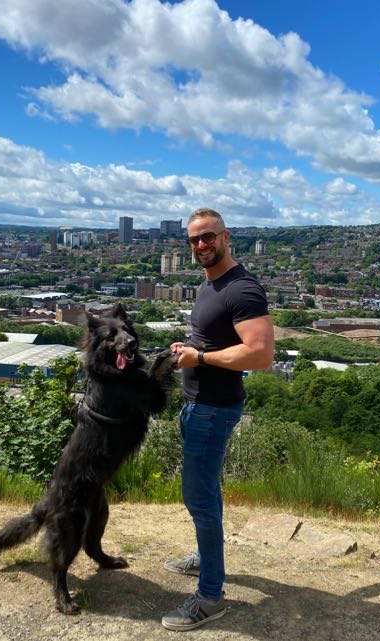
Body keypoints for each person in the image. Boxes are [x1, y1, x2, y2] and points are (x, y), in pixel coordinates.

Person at [161, 208, 274, 632]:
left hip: (213, 409)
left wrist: (202, 357)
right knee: (206, 494)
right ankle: (206, 558)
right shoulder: (211, 284)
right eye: (194, 239)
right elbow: (212, 339)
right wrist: (190, 348)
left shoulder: (242, 288)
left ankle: (210, 597)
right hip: (199, 405)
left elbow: (260, 354)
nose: (201, 245)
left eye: (208, 236)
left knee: (200, 498)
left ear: (226, 237)